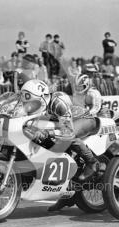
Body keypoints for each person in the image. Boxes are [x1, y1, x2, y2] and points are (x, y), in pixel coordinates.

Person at [20, 80, 100, 211]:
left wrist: (46, 133)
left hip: (83, 119)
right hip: (63, 122)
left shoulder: (58, 103)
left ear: (43, 98)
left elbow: (67, 130)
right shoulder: (38, 105)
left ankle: (92, 162)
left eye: (33, 102)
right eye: (27, 103)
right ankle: (65, 196)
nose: (30, 106)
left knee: (67, 134)